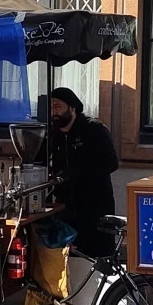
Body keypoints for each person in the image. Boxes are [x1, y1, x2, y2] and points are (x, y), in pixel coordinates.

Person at [48, 87, 118, 258]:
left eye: (58, 107)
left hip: (95, 206)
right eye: (50, 107)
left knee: (98, 257)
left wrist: (77, 173)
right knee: (69, 258)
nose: (53, 112)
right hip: (65, 207)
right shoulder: (52, 134)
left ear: (72, 107)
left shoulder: (94, 129)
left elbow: (111, 162)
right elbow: (39, 160)